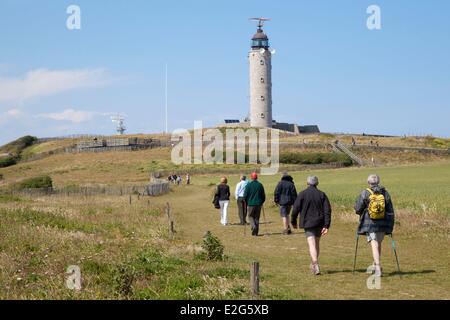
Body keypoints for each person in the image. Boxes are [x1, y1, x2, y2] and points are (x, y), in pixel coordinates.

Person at [354, 174, 395, 277]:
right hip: (383, 223)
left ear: (369, 183)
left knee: (374, 244)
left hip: (370, 223)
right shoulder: (385, 193)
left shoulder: (365, 193)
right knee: (378, 244)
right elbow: (390, 210)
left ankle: (377, 267)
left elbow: (358, 208)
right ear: (378, 182)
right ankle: (375, 264)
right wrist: (390, 225)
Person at [291, 176, 331, 275]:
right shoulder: (322, 194)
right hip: (319, 222)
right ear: (317, 183)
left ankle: (315, 263)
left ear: (307, 183)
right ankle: (314, 263)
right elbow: (327, 210)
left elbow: (295, 209)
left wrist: (293, 221)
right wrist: (326, 225)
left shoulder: (302, 194)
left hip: (308, 222)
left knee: (311, 244)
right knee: (316, 244)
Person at [243, 172, 266, 236]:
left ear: (251, 177)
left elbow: (245, 196)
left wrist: (246, 201)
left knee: (250, 216)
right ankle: (255, 233)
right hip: (259, 204)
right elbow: (263, 195)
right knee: (256, 218)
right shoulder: (260, 185)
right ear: (257, 177)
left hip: (251, 204)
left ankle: (253, 226)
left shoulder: (248, 185)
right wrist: (262, 202)